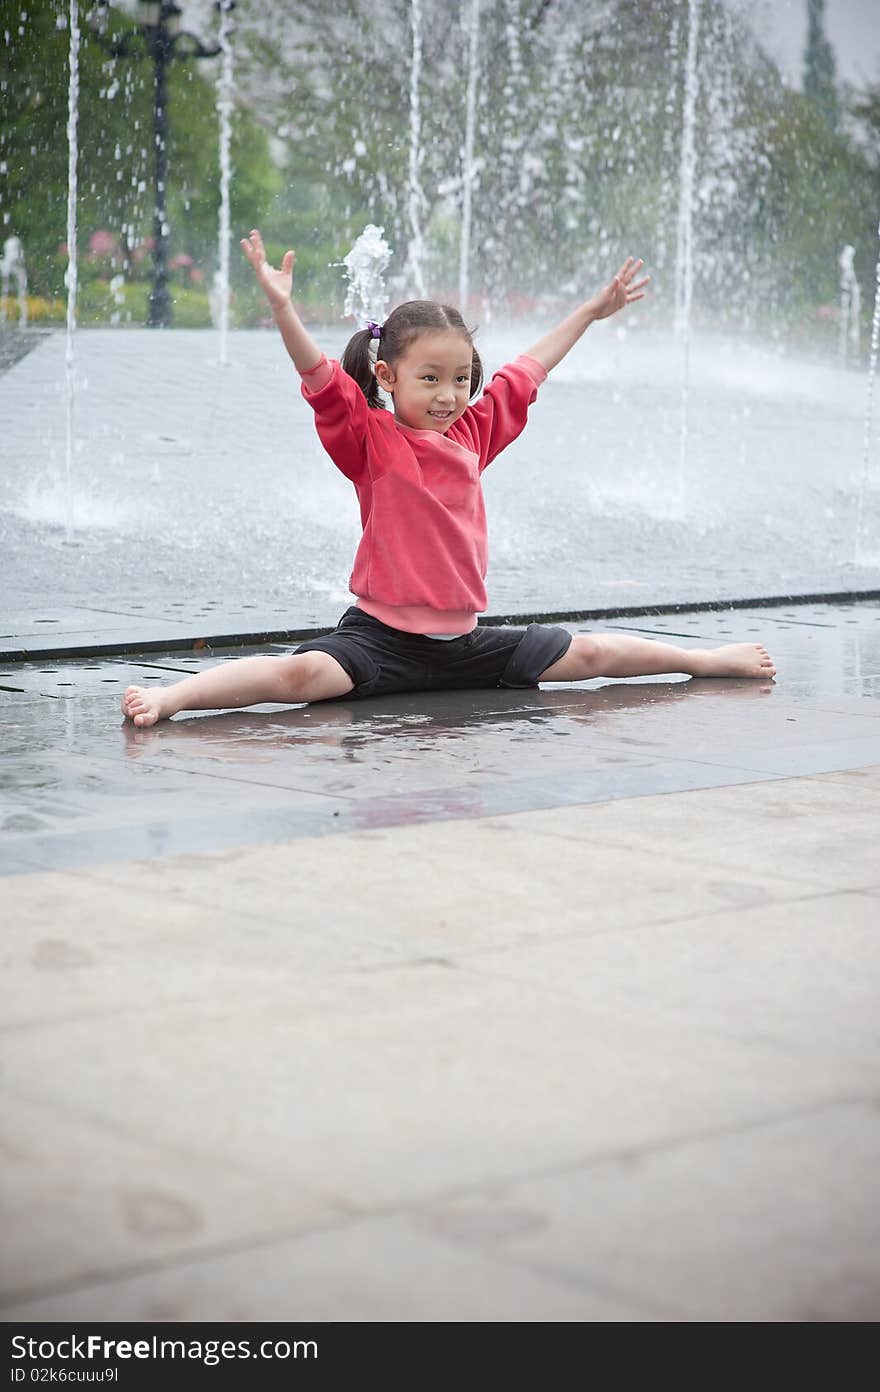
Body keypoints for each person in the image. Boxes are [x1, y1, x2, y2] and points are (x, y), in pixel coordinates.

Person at [122, 230, 775, 727]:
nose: (447, 394)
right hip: (380, 641)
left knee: (593, 656)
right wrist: (284, 310)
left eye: (460, 379)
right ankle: (173, 696)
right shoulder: (370, 439)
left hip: (466, 644)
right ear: (387, 378)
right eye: (429, 378)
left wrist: (591, 311)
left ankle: (706, 659)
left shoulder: (473, 435)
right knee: (297, 679)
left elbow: (529, 369)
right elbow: (320, 378)